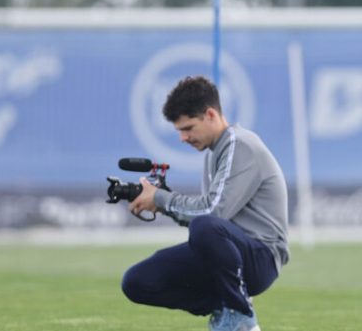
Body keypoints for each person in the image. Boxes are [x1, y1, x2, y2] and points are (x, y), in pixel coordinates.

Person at [121, 75, 289, 331]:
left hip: (261, 257)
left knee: (204, 227)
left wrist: (160, 198)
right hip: (230, 256)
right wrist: (160, 202)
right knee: (137, 281)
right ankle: (223, 307)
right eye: (179, 130)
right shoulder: (214, 154)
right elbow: (209, 223)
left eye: (188, 128)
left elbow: (214, 212)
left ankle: (241, 314)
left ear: (210, 114)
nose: (183, 138)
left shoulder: (238, 144)